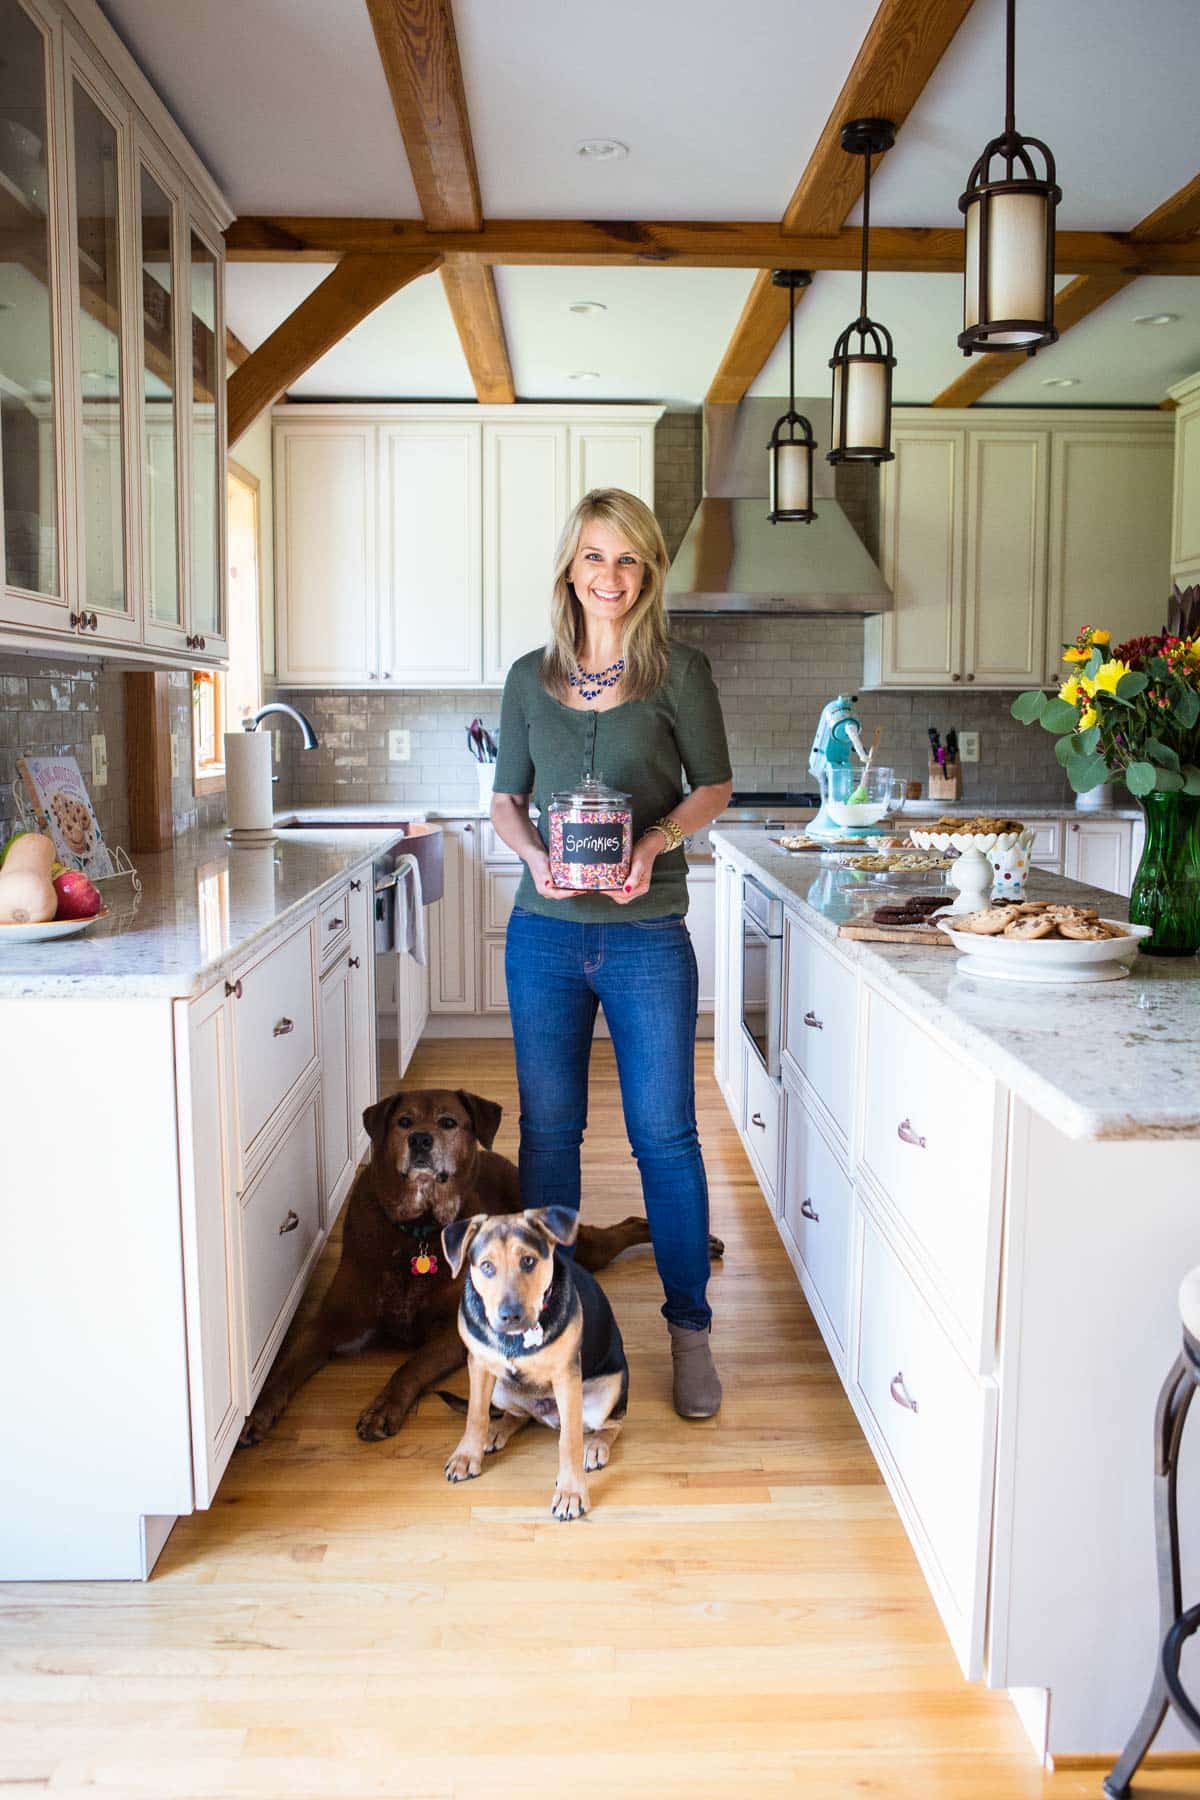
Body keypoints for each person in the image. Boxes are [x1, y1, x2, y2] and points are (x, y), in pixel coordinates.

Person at [489, 487, 734, 1419]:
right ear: (570, 568)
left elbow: (713, 786)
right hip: (545, 937)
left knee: (665, 1138)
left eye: (629, 558)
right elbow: (506, 801)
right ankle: (551, 1338)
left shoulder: (681, 672)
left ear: (649, 572)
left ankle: (690, 1332)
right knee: (550, 1135)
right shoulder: (528, 678)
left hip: (646, 937)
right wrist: (533, 858)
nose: (611, 575)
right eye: (595, 555)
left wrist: (655, 842)